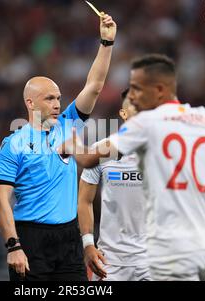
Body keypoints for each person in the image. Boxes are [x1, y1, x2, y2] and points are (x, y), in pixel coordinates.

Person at [60, 54, 205, 281]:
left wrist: (74, 144)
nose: (135, 97)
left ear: (158, 90)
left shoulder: (148, 125)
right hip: (196, 246)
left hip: (160, 253)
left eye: (138, 89)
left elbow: (88, 158)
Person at [0, 13, 117, 281]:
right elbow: (0, 199)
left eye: (59, 98)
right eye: (49, 98)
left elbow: (93, 87)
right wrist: (13, 246)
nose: (58, 103)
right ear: (30, 103)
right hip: (31, 238)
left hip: (69, 237)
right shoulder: (14, 143)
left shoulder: (68, 124)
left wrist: (106, 44)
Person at [78, 89, 151, 281]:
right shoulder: (101, 150)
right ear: (124, 113)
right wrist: (88, 244)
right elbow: (84, 200)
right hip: (110, 261)